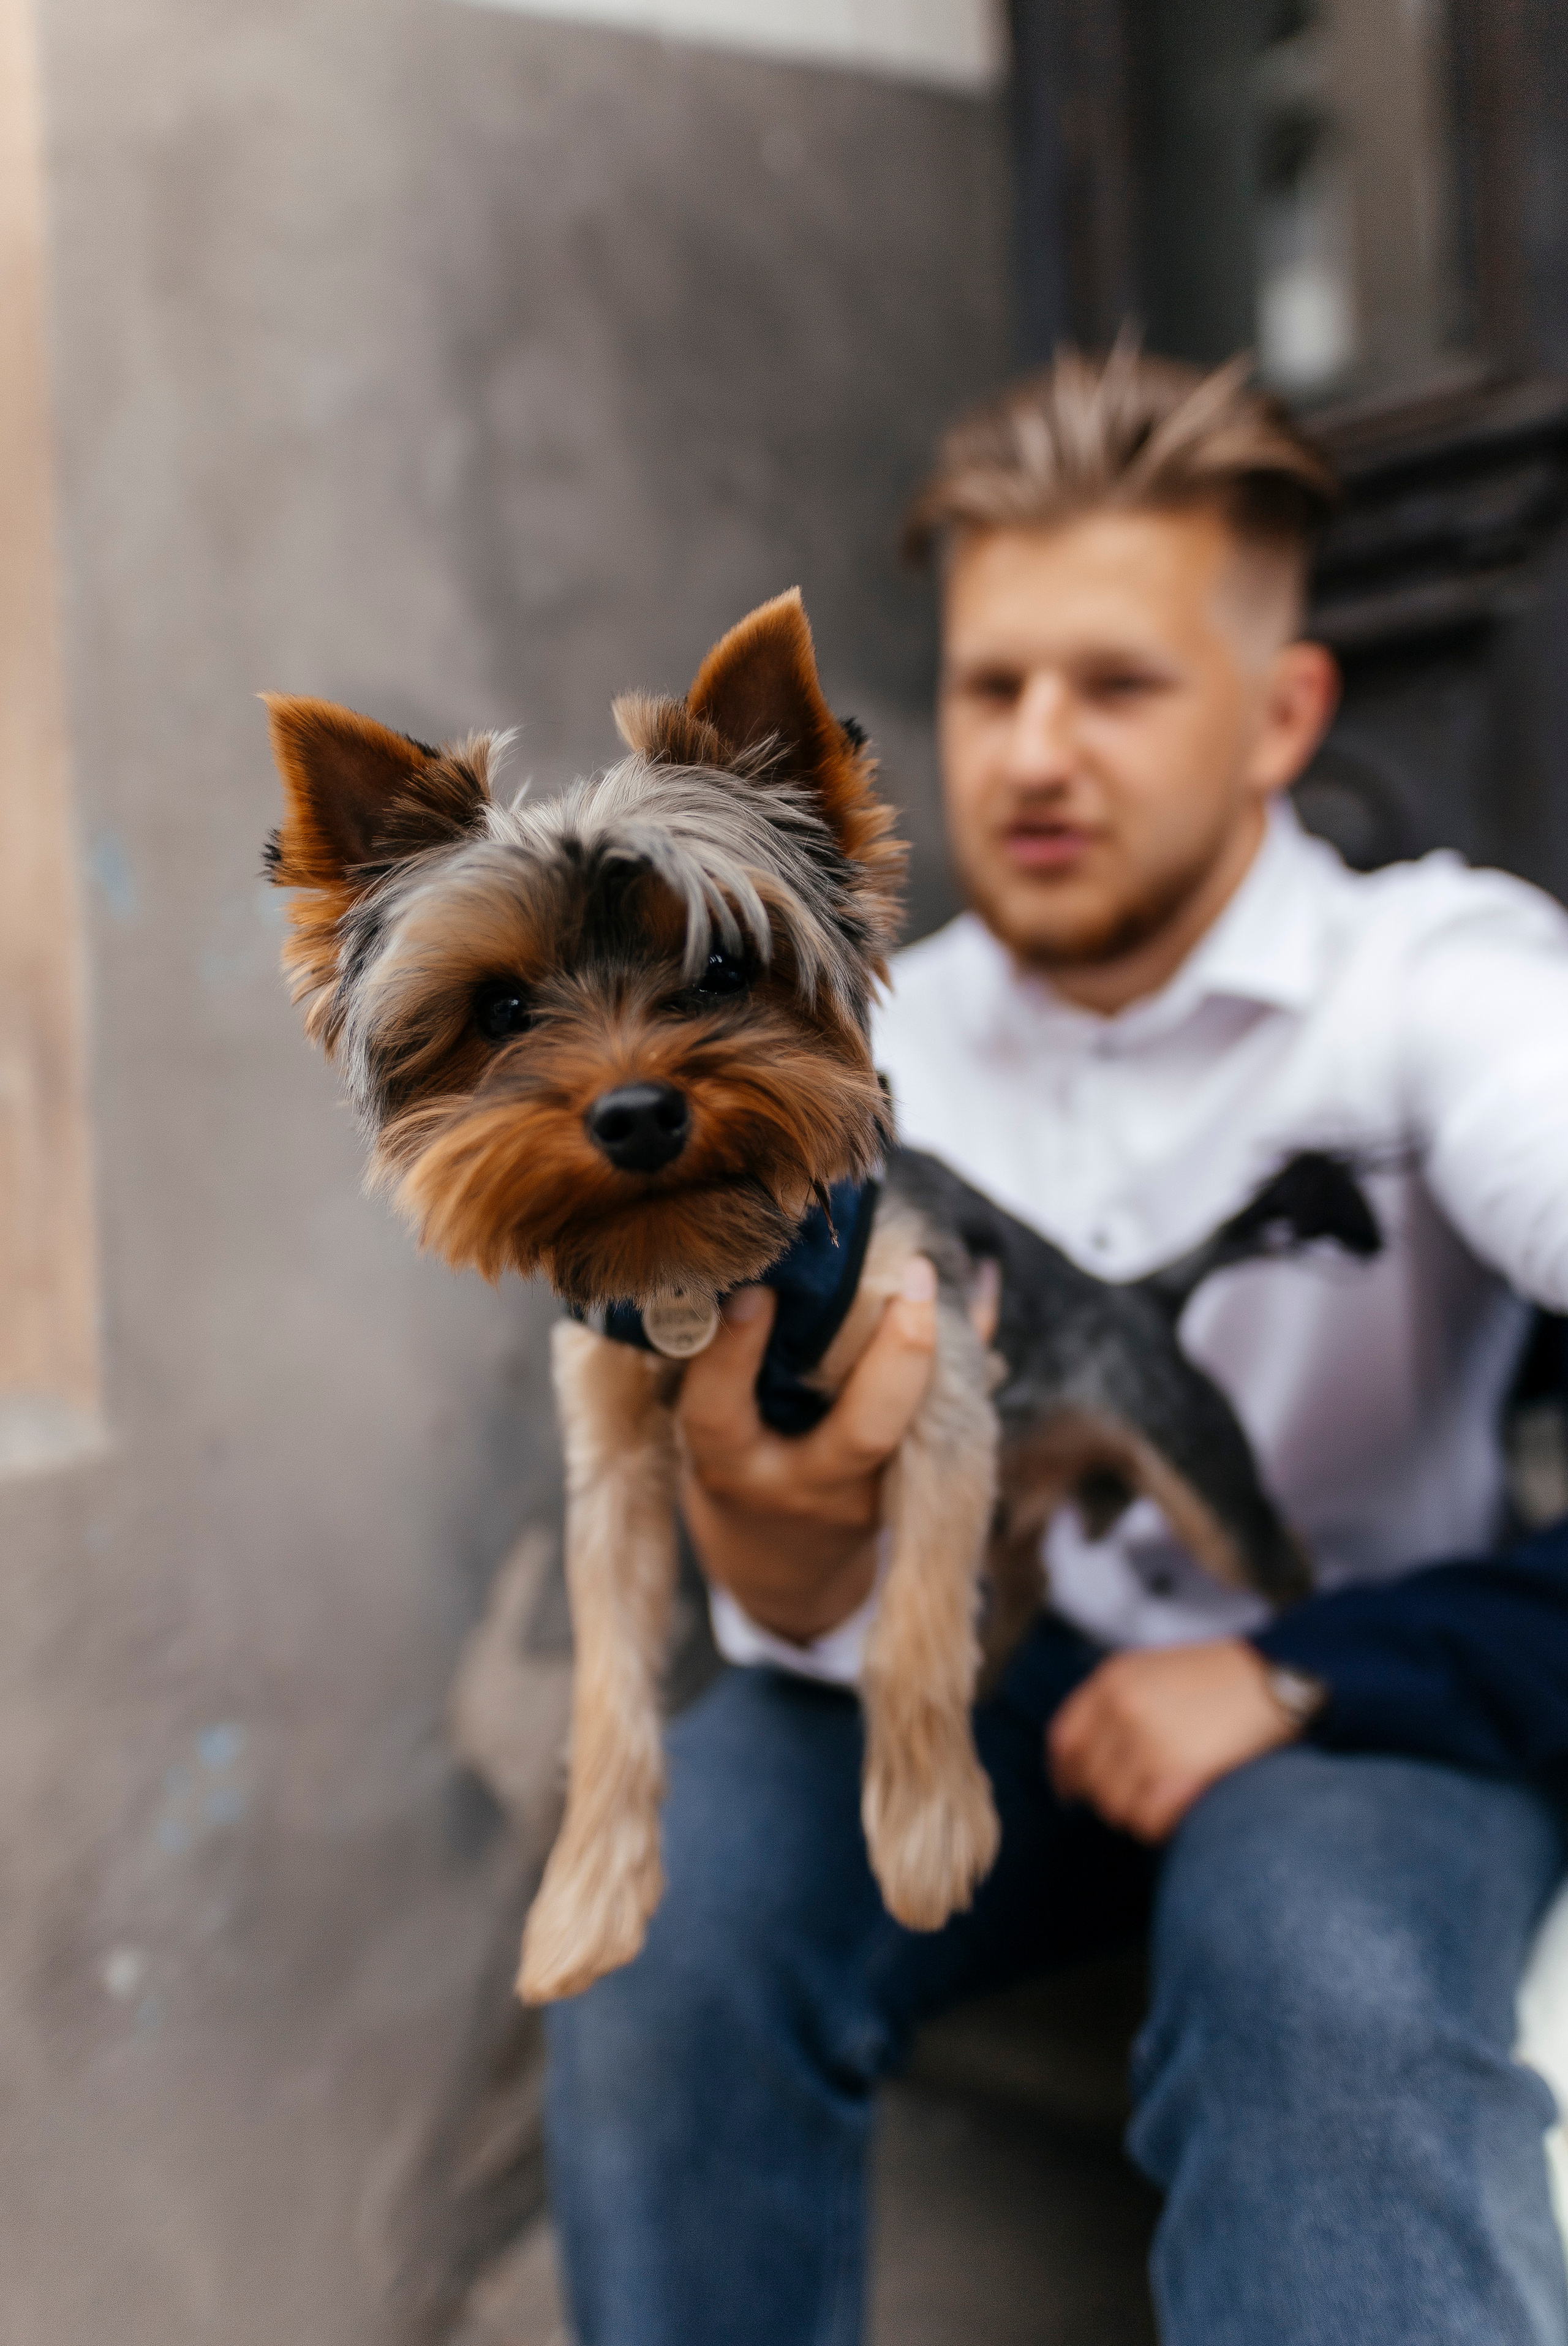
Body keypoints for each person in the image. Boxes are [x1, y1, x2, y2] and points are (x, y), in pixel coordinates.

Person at [544, 345, 1568, 2346]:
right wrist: (770, 1538)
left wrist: (1291, 1673)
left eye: (1116, 687)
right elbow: (792, 1564)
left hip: (1360, 1680)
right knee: (666, 1900)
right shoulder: (853, 1051)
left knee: (1327, 1985)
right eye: (993, 686)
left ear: (1284, 716)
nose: (1031, 753)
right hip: (980, 1668)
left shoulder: (1434, 980)